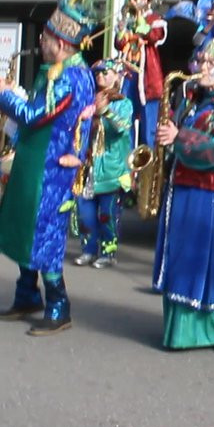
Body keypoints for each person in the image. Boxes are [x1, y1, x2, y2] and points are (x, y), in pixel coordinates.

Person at [0, 0, 97, 337]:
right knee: (25, 228)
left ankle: (58, 306)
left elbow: (36, 115)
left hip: (51, 170)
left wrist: (3, 98)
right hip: (37, 162)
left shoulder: (70, 78)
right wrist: (11, 90)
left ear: (63, 44)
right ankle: (26, 296)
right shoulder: (56, 69)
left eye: (47, 37)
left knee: (45, 236)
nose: (41, 40)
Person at [152, 38, 214, 352]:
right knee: (180, 259)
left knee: (208, 263)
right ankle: (181, 332)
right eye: (202, 61)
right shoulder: (191, 100)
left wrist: (180, 137)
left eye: (212, 63)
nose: (202, 68)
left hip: (208, 192)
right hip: (180, 186)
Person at [74, 59, 134, 269]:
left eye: (106, 73)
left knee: (106, 214)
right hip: (88, 167)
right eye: (97, 73)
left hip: (111, 169)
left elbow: (121, 128)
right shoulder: (87, 99)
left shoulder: (123, 103)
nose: (101, 76)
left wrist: (105, 110)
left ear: (117, 76)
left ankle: (108, 252)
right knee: (85, 214)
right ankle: (88, 250)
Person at [115, 0, 167, 147]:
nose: (132, 2)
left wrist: (138, 19)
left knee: (149, 127)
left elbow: (153, 36)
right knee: (125, 121)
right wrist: (123, 26)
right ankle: (127, 165)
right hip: (129, 75)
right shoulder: (129, 20)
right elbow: (120, 44)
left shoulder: (154, 19)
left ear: (146, 1)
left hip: (148, 79)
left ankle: (148, 170)